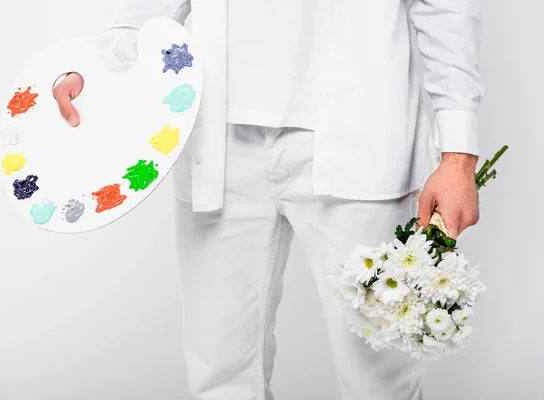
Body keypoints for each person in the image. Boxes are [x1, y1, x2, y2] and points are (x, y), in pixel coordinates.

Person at [53, 1, 483, 398]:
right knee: (219, 374)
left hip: (361, 133)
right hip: (218, 142)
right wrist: (101, 72)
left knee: (380, 380)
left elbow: (445, 5)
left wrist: (458, 156)